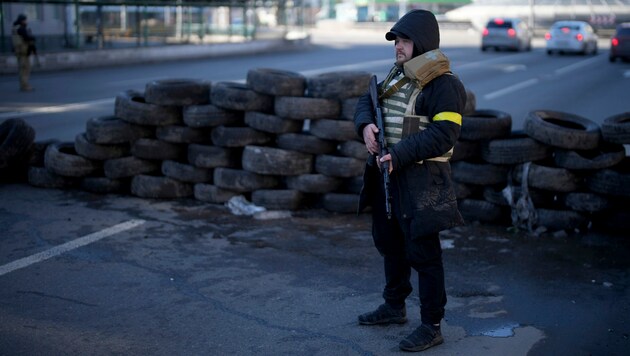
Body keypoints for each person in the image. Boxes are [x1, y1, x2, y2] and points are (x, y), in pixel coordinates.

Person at [353, 9, 466, 352]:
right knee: (390, 243)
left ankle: (432, 325)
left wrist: (400, 155)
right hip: (387, 174)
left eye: (404, 41)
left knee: (423, 253)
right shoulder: (396, 75)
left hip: (422, 180)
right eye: (396, 41)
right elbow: (366, 102)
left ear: (423, 43)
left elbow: (445, 133)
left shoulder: (444, 84)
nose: (398, 48)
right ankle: (394, 306)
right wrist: (365, 126)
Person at [12, 14, 36, 92]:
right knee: (25, 69)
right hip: (23, 52)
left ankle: (24, 84)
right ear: (22, 21)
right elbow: (27, 38)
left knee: (22, 69)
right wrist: (32, 38)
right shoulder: (21, 29)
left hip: (19, 51)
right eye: (25, 20)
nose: (26, 21)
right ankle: (25, 85)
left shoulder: (15, 28)